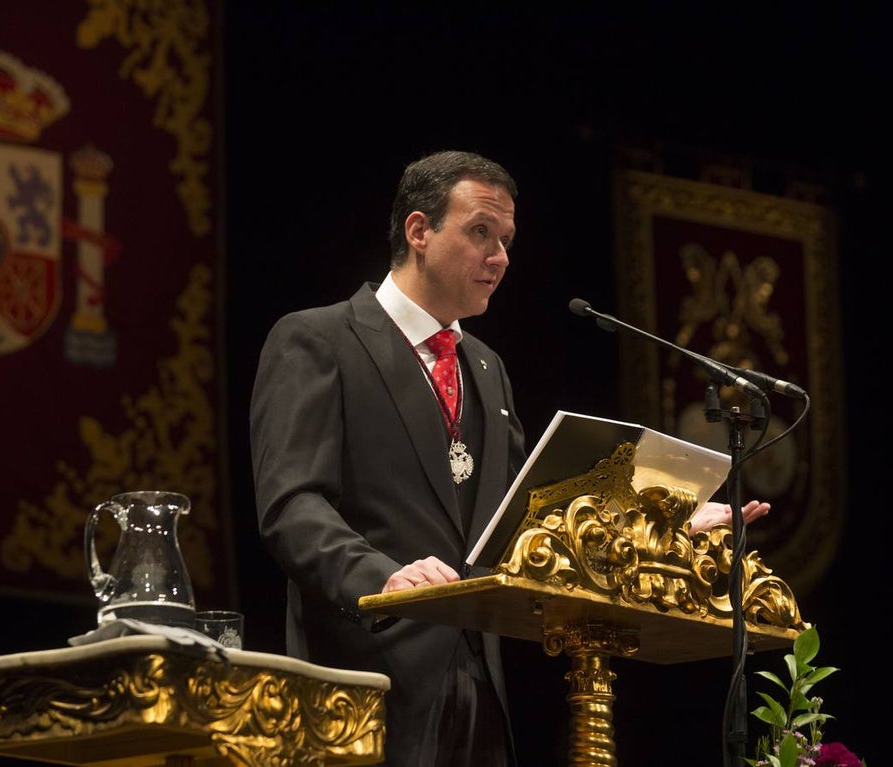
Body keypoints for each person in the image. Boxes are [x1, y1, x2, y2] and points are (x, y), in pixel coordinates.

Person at [249, 149, 769, 766]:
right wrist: (382, 577)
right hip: (363, 678)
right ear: (418, 231)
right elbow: (292, 504)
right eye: (480, 233)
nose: (500, 258)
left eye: (506, 239)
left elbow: (532, 512)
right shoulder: (318, 339)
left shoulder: (488, 370)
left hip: (478, 685)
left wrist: (664, 520)